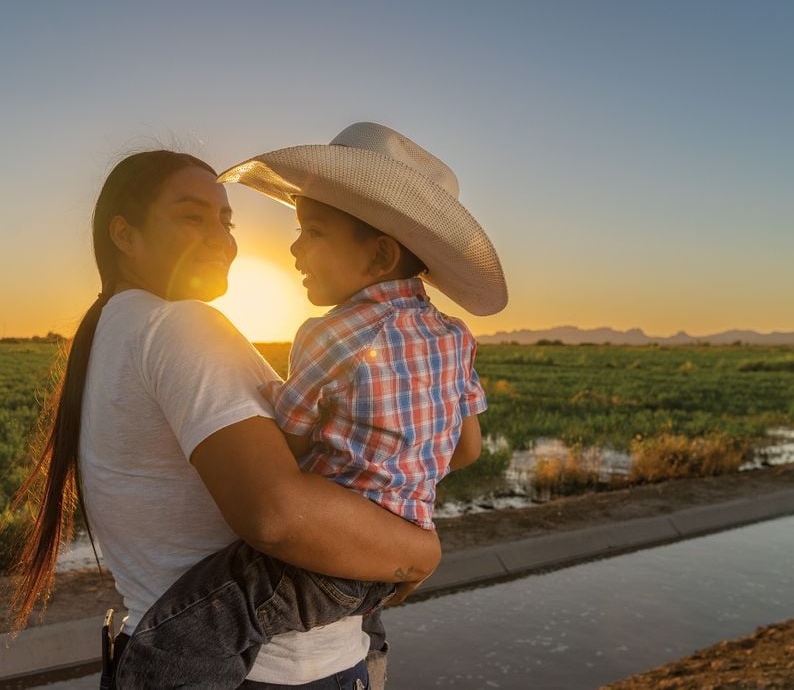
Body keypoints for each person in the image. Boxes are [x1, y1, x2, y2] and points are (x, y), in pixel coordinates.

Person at [8, 150, 442, 690]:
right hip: (271, 673)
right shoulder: (182, 326)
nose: (222, 239)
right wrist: (420, 551)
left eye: (226, 220)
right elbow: (276, 515)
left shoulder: (111, 331)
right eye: (193, 217)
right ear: (125, 235)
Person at [125, 123, 508, 688]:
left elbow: (287, 454)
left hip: (331, 550)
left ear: (378, 255)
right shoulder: (454, 335)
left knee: (179, 636)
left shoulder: (328, 336)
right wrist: (396, 482)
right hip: (391, 551)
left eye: (314, 232)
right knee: (358, 636)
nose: (295, 248)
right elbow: (467, 448)